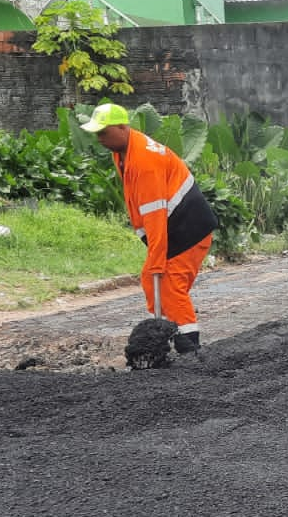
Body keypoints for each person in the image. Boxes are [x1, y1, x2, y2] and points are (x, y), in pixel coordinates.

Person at [79, 101, 218, 355]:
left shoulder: (144, 160)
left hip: (188, 227)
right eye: (96, 133)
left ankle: (189, 348)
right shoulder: (123, 151)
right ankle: (171, 330)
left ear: (122, 127)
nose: (99, 138)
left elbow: (154, 214)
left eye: (103, 132)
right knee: (151, 281)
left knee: (170, 284)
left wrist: (156, 257)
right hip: (175, 225)